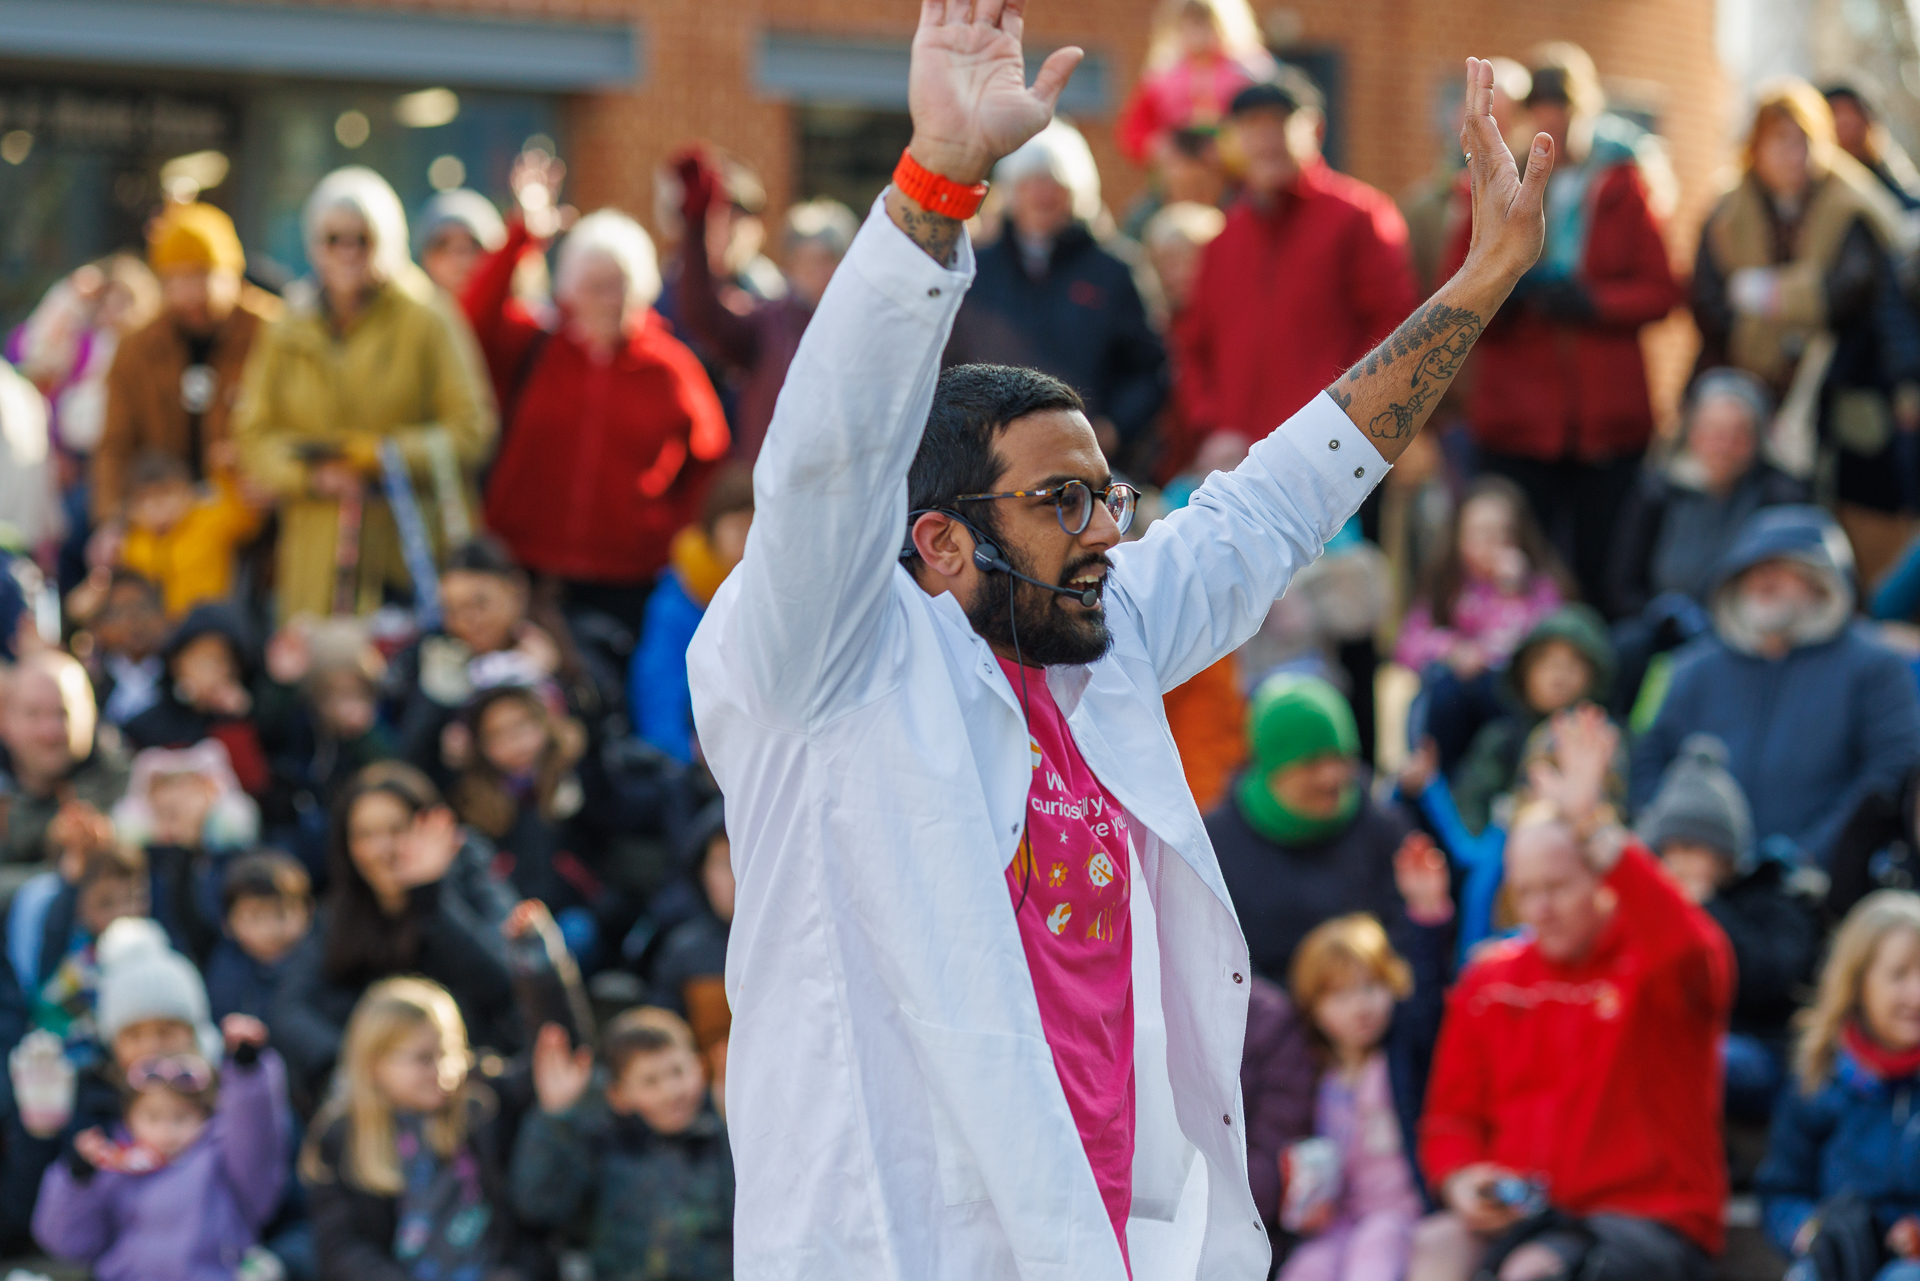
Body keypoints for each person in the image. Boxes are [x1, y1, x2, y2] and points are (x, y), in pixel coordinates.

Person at [686, 2, 1555, 1269]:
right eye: (1061, 502)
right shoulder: (824, 664)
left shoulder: (1106, 633)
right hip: (892, 1239)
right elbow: (829, 456)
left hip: (1111, 1238)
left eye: (1107, 495)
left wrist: (1476, 288)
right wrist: (938, 182)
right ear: (938, 541)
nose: (1103, 530)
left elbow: (1283, 493)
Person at [1411, 710, 1733, 1281]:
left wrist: (1595, 826)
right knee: (1436, 1249)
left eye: (1557, 887)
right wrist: (1461, 1178)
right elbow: (1450, 1119)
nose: (1538, 910)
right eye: (1524, 893)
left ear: (1602, 878)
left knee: (1534, 1271)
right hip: (1528, 1215)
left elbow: (1699, 959)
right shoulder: (1490, 980)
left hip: (1648, 1221)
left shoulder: (1652, 960)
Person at [1441, 43, 1679, 605]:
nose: (1555, 120)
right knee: (1516, 570)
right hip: (1519, 417)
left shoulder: (1625, 185)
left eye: (1566, 108)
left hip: (1605, 418)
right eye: (1543, 108)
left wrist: (1592, 304)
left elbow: (1661, 290)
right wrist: (1506, 294)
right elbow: (1455, 289)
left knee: (1604, 572)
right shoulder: (1491, 183)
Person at [467, 154, 730, 636]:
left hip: (629, 578)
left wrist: (667, 531)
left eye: (620, 286)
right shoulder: (535, 346)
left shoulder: (671, 367)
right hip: (527, 566)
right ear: (569, 290)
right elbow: (472, 321)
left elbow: (709, 460)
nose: (609, 300)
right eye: (595, 286)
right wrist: (523, 236)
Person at [233, 165, 494, 621]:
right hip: (314, 552)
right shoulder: (287, 325)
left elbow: (473, 430)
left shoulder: (429, 318)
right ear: (314, 245)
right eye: (333, 238)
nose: (347, 252)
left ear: (388, 239)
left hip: (408, 550)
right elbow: (253, 435)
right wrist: (310, 478)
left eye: (363, 238)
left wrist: (385, 455)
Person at [1693, 81, 1918, 584]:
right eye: (1779, 142)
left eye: (1802, 141)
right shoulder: (1728, 213)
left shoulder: (1852, 206)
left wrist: (1768, 296)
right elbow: (1710, 299)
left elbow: (1854, 291)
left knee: (1838, 526)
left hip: (1835, 390)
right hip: (1748, 386)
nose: (1793, 156)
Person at [1630, 505, 1920, 863]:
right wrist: (1683, 848)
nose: (1765, 579)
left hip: (1819, 888)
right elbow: (1643, 762)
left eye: (1784, 568)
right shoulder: (1682, 667)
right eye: (1753, 568)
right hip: (1695, 880)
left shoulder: (1876, 666)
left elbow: (1891, 770)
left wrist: (1809, 856)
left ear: (1823, 581)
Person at [1180, 68, 1419, 449]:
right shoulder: (1224, 238)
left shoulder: (1359, 216)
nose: (1264, 139)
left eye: (1279, 123)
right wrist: (1210, 424)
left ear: (1316, 129)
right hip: (1235, 459)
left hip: (1330, 453)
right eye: (1250, 126)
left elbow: (1395, 331)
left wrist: (1345, 421)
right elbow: (1194, 345)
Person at [269, 763, 519, 1101]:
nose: (381, 850)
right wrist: (361, 1066)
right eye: (365, 835)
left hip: (468, 1080)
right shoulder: (344, 906)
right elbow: (292, 1007)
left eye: (396, 830)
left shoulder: (468, 870)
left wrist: (429, 896)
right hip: (374, 1090)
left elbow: (502, 978)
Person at [945, 119, 1168, 463]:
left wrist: (1116, 427)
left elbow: (1149, 366)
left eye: (1052, 182)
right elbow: (947, 365)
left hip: (1088, 459)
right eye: (1029, 182)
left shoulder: (1115, 270)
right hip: (987, 461)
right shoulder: (972, 270)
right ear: (1010, 192)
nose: (1041, 193)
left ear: (1076, 191)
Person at [300, 976, 543, 1281]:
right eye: (423, 1059)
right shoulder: (342, 1138)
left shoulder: (481, 1101)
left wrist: (539, 966)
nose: (442, 1071)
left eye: (450, 1052)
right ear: (375, 1062)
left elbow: (553, 1051)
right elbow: (342, 1250)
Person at [1639, 734, 1819, 1117]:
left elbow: (1764, 980)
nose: (1676, 864)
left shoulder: (1776, 900)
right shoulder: (1651, 909)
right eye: (1666, 851)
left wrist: (1707, 907)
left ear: (1726, 853)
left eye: (1690, 848)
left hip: (1755, 1048)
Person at [31, 1018, 290, 1281]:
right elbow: (67, 1243)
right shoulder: (117, 1167)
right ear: (128, 1119)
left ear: (206, 1115)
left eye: (181, 1118)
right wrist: (77, 1181)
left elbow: (255, 1137)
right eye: (152, 1118)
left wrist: (247, 1071)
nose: (166, 1132)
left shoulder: (223, 1162)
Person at [1279, 895, 1449, 1281]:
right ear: (1313, 1007)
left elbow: (1429, 997)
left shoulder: (1403, 1056)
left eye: (1371, 987)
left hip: (1400, 1213)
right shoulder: (1318, 1074)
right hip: (1340, 1218)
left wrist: (1428, 918)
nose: (1360, 1006)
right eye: (1339, 994)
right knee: (1307, 1268)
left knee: (1373, 1259)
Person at [1209, 674, 1418, 981]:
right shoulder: (1218, 843)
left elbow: (1409, 940)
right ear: (1272, 767)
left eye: (1341, 757)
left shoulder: (1381, 827)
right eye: (1311, 762)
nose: (1330, 777)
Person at [1756, 892, 1920, 1277]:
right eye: (1899, 975)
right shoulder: (1819, 1077)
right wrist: (1808, 1230)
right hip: (1843, 1255)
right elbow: (1781, 1188)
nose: (1917, 994)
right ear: (1858, 981)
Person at [91, 202, 280, 534]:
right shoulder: (138, 348)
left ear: (233, 273)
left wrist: (277, 479)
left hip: (252, 525)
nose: (191, 294)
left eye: (202, 275)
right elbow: (115, 445)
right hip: (163, 526)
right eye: (176, 280)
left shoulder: (275, 335)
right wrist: (112, 519)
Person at [512, 1009, 734, 1279]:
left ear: (700, 1068)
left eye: (678, 1072)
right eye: (650, 1081)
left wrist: (732, 1125)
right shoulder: (602, 1151)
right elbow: (538, 1208)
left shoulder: (717, 1140)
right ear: (618, 1095)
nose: (671, 1091)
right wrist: (554, 1118)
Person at [675, 144, 856, 463]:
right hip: (770, 489)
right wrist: (696, 225)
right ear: (791, 266)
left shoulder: (864, 329)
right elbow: (704, 314)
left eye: (828, 260)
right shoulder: (769, 323)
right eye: (806, 261)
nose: (818, 273)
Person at [1394, 476, 1573, 772]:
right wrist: (1452, 649)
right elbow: (1407, 645)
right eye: (1480, 534)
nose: (1491, 545)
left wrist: (1513, 594)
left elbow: (1550, 638)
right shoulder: (1447, 586)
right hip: (1456, 702)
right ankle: (1435, 777)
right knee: (1440, 687)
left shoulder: (1539, 588)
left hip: (1514, 700)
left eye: (1503, 534)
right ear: (1458, 538)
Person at [1608, 368, 1809, 620]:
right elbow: (1624, 585)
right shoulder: (1658, 493)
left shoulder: (1780, 497)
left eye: (1738, 435)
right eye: (1715, 433)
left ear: (1757, 439)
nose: (1724, 448)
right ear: (1693, 434)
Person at [1447, 604, 1614, 835]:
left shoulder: (1604, 737)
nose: (1559, 675)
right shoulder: (1501, 740)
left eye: (1572, 664)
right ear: (1523, 673)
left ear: (1593, 676)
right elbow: (1470, 809)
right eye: (1545, 663)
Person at [631, 465, 753, 764]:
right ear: (712, 533)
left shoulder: (782, 592)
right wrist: (683, 758)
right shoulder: (680, 599)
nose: (749, 542)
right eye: (738, 529)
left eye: (758, 528)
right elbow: (658, 685)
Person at [0, 650, 129, 890]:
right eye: (33, 714)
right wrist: (60, 876)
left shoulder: (129, 785)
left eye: (63, 713)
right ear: (4, 720)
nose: (50, 732)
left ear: (92, 716)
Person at [123, 603, 269, 798]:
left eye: (225, 662)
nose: (217, 672)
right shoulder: (145, 725)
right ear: (175, 663)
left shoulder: (246, 722)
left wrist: (233, 721)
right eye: (205, 661)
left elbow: (255, 788)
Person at [1115, 0, 1274, 166]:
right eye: (1190, 22)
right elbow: (1132, 132)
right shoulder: (1163, 77)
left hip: (1236, 171)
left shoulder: (1249, 71)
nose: (1198, 31)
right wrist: (1159, 147)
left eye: (1205, 21)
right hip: (1181, 169)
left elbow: (1271, 121)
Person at [115, 449, 264, 618]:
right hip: (157, 630)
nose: (158, 506)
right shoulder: (131, 545)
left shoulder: (209, 521)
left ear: (187, 492)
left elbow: (246, 519)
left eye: (167, 493)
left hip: (211, 621)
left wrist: (227, 474)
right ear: (132, 508)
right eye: (146, 499)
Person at [1141, 199, 1227, 483]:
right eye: (1164, 262)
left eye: (1186, 259)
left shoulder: (1224, 326)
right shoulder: (1157, 325)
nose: (1174, 273)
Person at [205, 850, 314, 1024]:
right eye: (255, 917)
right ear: (227, 923)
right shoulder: (222, 975)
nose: (269, 931)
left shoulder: (327, 963)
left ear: (309, 910)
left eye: (281, 914)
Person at [1824, 76, 1920, 210]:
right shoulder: (1814, 192)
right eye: (1838, 125)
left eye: (1856, 127)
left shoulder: (1897, 181)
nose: (1847, 133)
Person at [413, 188, 508, 299]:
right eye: (442, 245)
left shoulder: (521, 314)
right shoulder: (405, 315)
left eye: (474, 246)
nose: (458, 261)